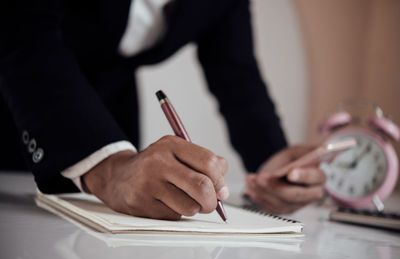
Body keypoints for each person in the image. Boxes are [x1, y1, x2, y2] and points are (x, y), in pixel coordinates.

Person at [0, 0, 326, 220]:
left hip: (113, 117)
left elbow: (237, 76)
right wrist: (109, 168)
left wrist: (273, 167)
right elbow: (24, 34)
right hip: (19, 96)